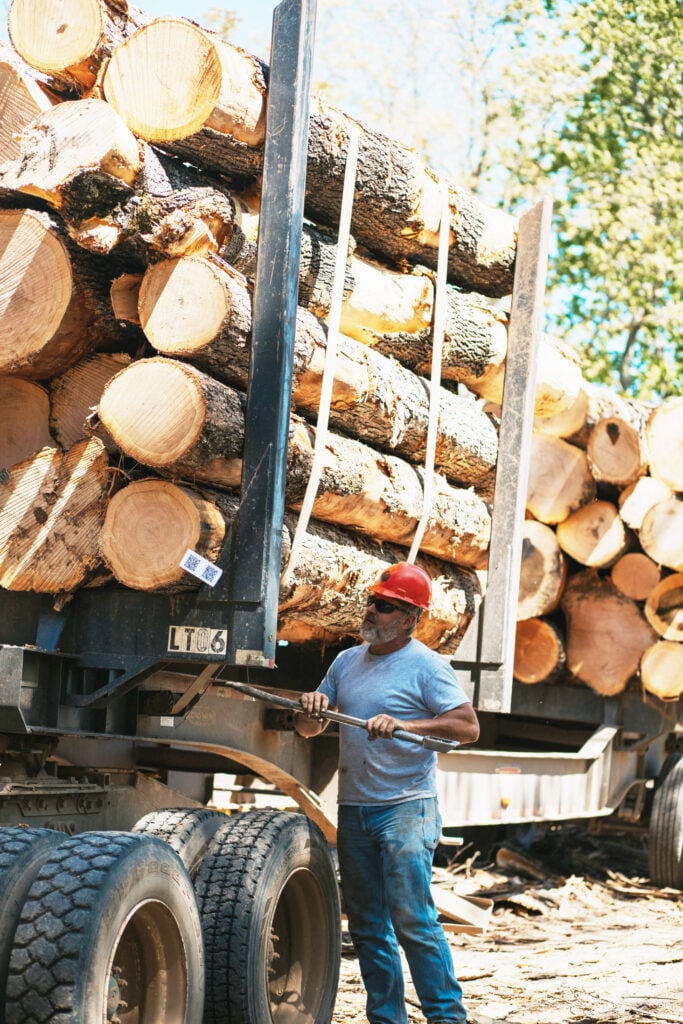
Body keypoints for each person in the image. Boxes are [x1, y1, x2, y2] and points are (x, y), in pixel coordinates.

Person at [295, 561, 480, 1024]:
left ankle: (446, 1018)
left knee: (413, 921)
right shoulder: (345, 662)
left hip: (405, 809)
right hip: (355, 809)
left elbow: (467, 726)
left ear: (410, 619)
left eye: (385, 606)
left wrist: (404, 725)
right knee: (367, 926)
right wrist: (312, 709)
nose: (372, 612)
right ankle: (386, 1018)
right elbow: (307, 729)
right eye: (372, 603)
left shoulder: (427, 666)